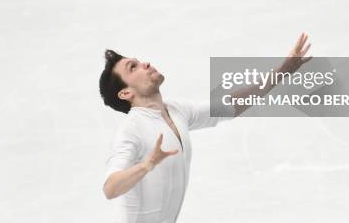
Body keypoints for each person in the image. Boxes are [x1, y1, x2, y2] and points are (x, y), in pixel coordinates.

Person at [98, 33, 312, 222]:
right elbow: (110, 188)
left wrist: (284, 70)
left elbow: (231, 106)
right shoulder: (131, 130)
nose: (145, 64)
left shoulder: (175, 110)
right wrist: (147, 164)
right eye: (132, 67)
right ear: (125, 93)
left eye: (138, 61)